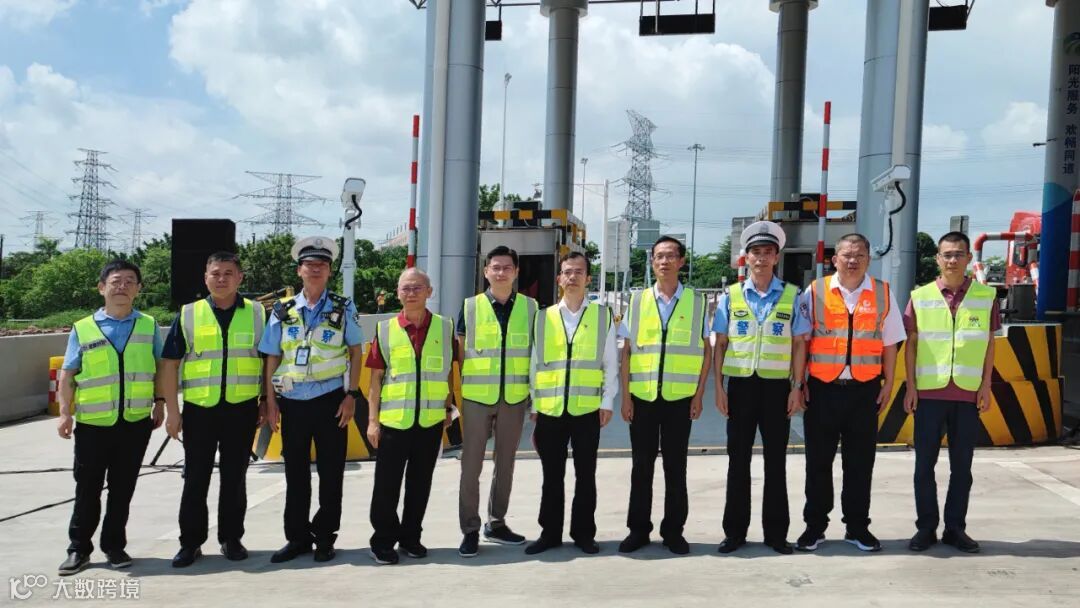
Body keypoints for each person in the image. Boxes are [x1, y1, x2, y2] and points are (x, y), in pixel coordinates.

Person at [795, 233, 904, 553]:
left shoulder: (883, 293)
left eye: (859, 255)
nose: (853, 260)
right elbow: (801, 342)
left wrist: (889, 383)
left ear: (869, 259)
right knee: (818, 463)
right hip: (822, 390)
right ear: (835, 259)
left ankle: (857, 527)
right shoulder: (815, 291)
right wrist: (798, 384)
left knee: (860, 464)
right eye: (846, 255)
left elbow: (890, 343)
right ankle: (814, 527)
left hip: (864, 391)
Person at [258, 236, 364, 563]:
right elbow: (272, 356)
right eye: (309, 264)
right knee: (296, 474)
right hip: (292, 401)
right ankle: (297, 538)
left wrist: (351, 395)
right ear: (299, 270)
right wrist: (270, 401)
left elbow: (356, 351)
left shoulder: (343, 307)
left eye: (321, 265)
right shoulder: (282, 310)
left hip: (331, 400)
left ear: (330, 271)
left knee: (331, 473)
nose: (315, 269)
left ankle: (325, 537)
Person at [56, 259, 164, 576]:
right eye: (116, 281)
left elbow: (160, 368)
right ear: (102, 288)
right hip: (93, 424)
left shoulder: (148, 325)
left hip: (135, 422)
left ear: (138, 289)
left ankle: (114, 545)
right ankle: (78, 548)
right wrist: (64, 413)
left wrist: (160, 403)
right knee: (87, 489)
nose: (122, 286)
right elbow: (68, 374)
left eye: (130, 281)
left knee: (123, 488)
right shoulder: (83, 327)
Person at [160, 251, 266, 567]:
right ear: (205, 278)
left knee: (235, 478)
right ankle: (190, 543)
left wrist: (265, 401)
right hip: (200, 409)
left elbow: (268, 361)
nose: (222, 279)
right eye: (215, 273)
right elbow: (170, 365)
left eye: (228, 273)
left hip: (242, 409)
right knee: (195, 478)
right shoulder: (188, 314)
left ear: (240, 278)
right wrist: (173, 411)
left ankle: (231, 539)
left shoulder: (258, 313)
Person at [714, 221, 809, 555]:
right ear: (747, 257)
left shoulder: (793, 295)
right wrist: (719, 388)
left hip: (776, 389)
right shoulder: (731, 296)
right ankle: (734, 532)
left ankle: (776, 534)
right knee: (737, 461)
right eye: (756, 252)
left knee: (775, 462)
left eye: (768, 252)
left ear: (776, 257)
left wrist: (797, 387)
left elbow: (799, 344)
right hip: (740, 387)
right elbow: (720, 344)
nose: (761, 258)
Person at [904, 231, 1000, 554]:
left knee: (962, 468)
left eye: (959, 254)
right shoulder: (920, 296)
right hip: (929, 395)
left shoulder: (986, 297)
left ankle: (955, 528)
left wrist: (986, 385)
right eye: (947, 254)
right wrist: (911, 387)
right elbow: (911, 346)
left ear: (969, 258)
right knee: (923, 467)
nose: (953, 260)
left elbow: (989, 344)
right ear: (937, 259)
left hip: (968, 396)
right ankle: (926, 527)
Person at [525, 252, 621, 555]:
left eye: (579, 272)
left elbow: (610, 362)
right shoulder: (543, 317)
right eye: (567, 272)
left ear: (588, 279)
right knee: (551, 476)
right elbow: (535, 363)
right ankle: (549, 533)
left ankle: (583, 534)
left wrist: (607, 400)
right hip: (550, 409)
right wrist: (535, 405)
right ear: (559, 279)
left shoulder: (602, 316)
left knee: (585, 475)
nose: (572, 277)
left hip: (587, 409)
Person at [620, 235, 712, 555]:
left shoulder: (697, 302)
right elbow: (627, 352)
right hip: (643, 398)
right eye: (659, 256)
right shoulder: (637, 301)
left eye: (671, 256)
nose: (664, 261)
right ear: (652, 262)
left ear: (681, 261)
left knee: (676, 467)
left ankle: (674, 531)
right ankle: (638, 530)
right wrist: (626, 397)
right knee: (641, 467)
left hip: (680, 399)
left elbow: (706, 351)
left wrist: (699, 395)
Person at [366, 267, 455, 565]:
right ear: (397, 293)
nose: (411, 293)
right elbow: (375, 379)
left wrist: (448, 408)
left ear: (430, 291)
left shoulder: (444, 327)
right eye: (406, 288)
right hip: (394, 422)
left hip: (430, 422)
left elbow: (448, 372)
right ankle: (382, 541)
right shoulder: (385, 330)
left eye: (418, 287)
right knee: (386, 486)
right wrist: (372, 422)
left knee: (420, 484)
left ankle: (411, 537)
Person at [456, 246, 537, 557]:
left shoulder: (531, 308)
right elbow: (460, 352)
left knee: (506, 463)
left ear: (516, 272)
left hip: (514, 397)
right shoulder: (470, 306)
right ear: (486, 271)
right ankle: (470, 529)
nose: (501, 272)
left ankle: (497, 522)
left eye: (507, 268)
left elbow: (536, 355)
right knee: (471, 465)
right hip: (477, 397)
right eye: (495, 267)